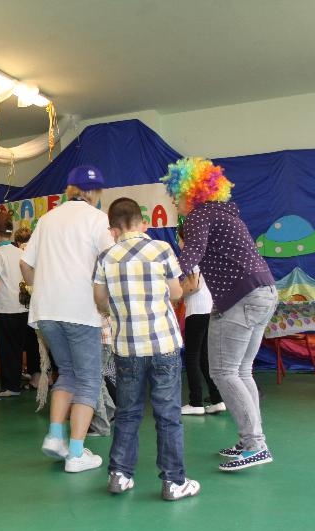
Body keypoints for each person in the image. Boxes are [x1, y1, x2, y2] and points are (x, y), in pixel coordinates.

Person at [162, 157, 278, 472]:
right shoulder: (225, 213)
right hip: (264, 292)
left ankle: (255, 445)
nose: (174, 201)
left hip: (242, 297)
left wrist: (158, 276)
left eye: (177, 194)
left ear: (192, 192)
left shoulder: (200, 215)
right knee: (241, 371)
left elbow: (191, 254)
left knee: (224, 372)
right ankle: (250, 439)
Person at [93, 197, 200, 501]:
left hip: (127, 347)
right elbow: (176, 292)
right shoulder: (162, 249)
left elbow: (99, 299)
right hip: (163, 343)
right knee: (168, 415)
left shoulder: (106, 257)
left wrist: (116, 307)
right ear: (143, 223)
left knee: (128, 413)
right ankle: (174, 482)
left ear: (113, 229)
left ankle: (119, 475)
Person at [20, 165, 114, 473]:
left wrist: (40, 289)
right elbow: (111, 260)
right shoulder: (98, 219)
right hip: (81, 310)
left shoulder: (47, 219)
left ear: (69, 190)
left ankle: (55, 436)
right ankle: (76, 453)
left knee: (68, 373)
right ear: (95, 192)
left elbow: (25, 265)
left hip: (46, 311)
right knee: (88, 379)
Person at [176, 225, 225, 416]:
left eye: (179, 238)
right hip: (209, 308)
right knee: (204, 357)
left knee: (192, 356)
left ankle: (195, 402)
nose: (178, 242)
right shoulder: (206, 253)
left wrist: (175, 294)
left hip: (197, 310)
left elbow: (194, 285)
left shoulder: (191, 256)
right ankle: (216, 398)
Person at [0, 210, 28, 397]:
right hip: (23, 308)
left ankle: (10, 386)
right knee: (17, 347)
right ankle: (15, 384)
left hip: (5, 309)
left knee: (6, 348)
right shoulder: (21, 253)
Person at [13, 226, 41, 386]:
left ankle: (35, 376)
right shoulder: (37, 253)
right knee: (38, 343)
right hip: (38, 303)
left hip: (28, 304)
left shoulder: (21, 255)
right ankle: (43, 375)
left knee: (31, 342)